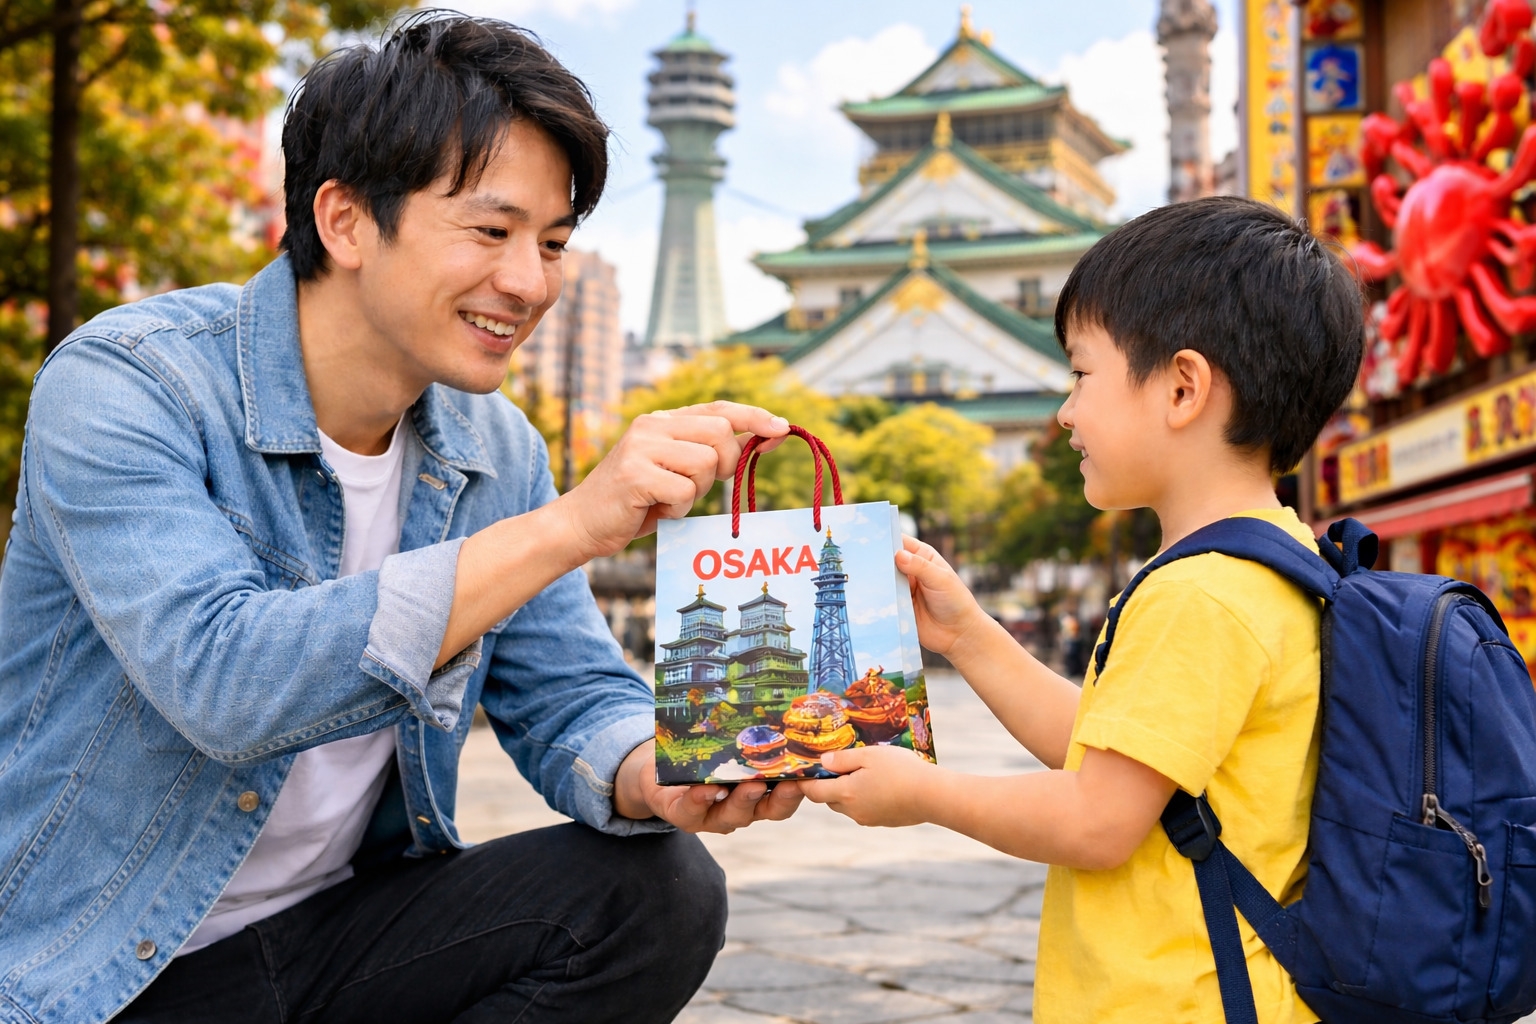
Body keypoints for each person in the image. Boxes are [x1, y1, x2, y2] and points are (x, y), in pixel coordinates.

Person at [0, 13, 804, 1024]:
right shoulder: (131, 383)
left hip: (335, 937)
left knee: (655, 888)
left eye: (553, 244)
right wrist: (578, 523)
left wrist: (662, 774)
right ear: (343, 221)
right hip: (106, 972)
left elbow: (568, 693)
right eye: (491, 231)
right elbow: (221, 680)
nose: (529, 283)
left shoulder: (497, 447)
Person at [802, 196, 1363, 1024]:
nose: (1065, 412)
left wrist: (921, 794)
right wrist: (967, 633)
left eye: (1081, 374)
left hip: (1187, 1001)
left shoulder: (1199, 595)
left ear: (1182, 387)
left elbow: (1098, 819)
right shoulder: (1269, 563)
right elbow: (1110, 750)